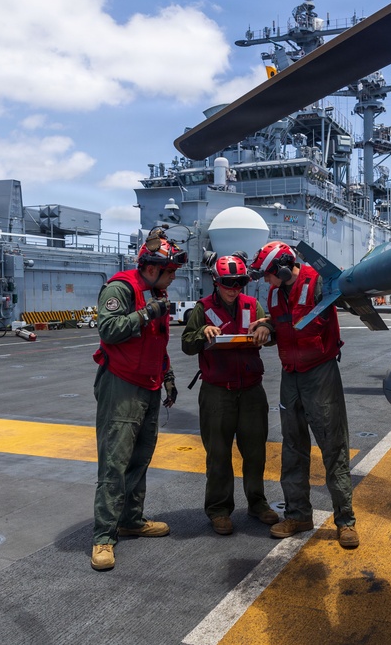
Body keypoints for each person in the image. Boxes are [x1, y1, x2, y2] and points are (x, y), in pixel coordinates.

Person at [247, 241, 359, 549]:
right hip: (290, 375)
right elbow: (284, 327)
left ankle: (345, 520)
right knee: (292, 447)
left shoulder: (319, 281)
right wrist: (266, 327)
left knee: (333, 446)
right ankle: (298, 515)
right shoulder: (273, 292)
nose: (266, 281)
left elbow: (347, 301)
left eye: (269, 274)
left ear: (283, 268)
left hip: (320, 374)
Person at [89, 232, 186, 571]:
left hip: (149, 384)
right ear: (152, 267)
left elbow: (155, 343)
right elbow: (109, 329)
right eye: (170, 270)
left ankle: (131, 518)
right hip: (122, 385)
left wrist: (168, 375)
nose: (173, 277)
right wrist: (147, 313)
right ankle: (103, 536)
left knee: (140, 457)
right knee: (114, 461)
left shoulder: (155, 292)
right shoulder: (122, 289)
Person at [181, 254, 280, 535]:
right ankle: (218, 509)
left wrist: (265, 328)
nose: (234, 288)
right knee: (218, 454)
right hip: (217, 393)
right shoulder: (203, 308)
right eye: (228, 283)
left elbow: (273, 331)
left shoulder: (253, 305)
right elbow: (187, 344)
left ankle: (257, 503)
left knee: (256, 451)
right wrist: (202, 332)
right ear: (216, 281)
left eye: (239, 282)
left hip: (250, 390)